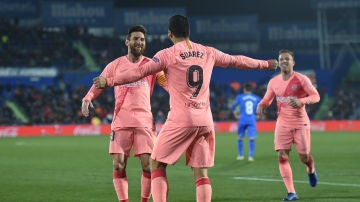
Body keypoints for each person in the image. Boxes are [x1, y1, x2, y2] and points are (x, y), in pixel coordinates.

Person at [93, 14, 278, 202]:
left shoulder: (167, 54)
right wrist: (265, 64)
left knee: (156, 164)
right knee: (201, 173)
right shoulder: (208, 51)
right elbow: (236, 60)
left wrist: (109, 81)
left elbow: (138, 72)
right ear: (189, 32)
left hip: (181, 119)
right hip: (205, 121)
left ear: (170, 34)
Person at [81, 25, 167, 202]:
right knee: (118, 165)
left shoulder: (152, 65)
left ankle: (144, 200)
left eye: (142, 39)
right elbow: (100, 83)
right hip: (121, 121)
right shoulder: (115, 65)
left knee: (148, 166)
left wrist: (179, 94)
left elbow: (167, 83)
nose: (139, 42)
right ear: (127, 41)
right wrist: (88, 97)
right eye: (135, 38)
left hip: (145, 122)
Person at [256, 49, 320, 201]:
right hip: (282, 123)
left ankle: (310, 169)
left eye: (287, 59)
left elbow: (316, 96)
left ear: (293, 62)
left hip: (300, 123)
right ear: (279, 63)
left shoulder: (302, 79)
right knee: (282, 155)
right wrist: (262, 104)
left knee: (304, 157)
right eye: (281, 59)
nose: (284, 61)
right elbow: (267, 99)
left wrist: (301, 101)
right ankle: (292, 192)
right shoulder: (273, 81)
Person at [231, 82, 261, 162]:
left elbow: (233, 106)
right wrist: (258, 115)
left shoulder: (240, 97)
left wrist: (235, 114)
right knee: (251, 138)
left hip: (242, 119)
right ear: (251, 90)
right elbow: (262, 106)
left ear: (244, 89)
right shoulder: (256, 98)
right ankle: (250, 156)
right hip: (251, 119)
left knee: (240, 137)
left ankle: (240, 155)